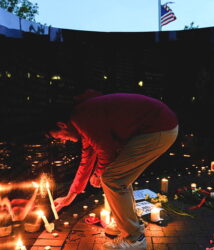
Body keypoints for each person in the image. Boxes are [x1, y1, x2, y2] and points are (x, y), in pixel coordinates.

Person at [47, 89, 178, 250]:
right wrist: (70, 196)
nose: (64, 140)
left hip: (158, 128)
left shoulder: (82, 117)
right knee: (118, 177)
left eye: (60, 136)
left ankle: (134, 238)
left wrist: (98, 173)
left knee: (112, 178)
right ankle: (128, 225)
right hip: (160, 126)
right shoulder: (82, 118)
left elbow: (106, 151)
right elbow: (87, 159)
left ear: (61, 125)